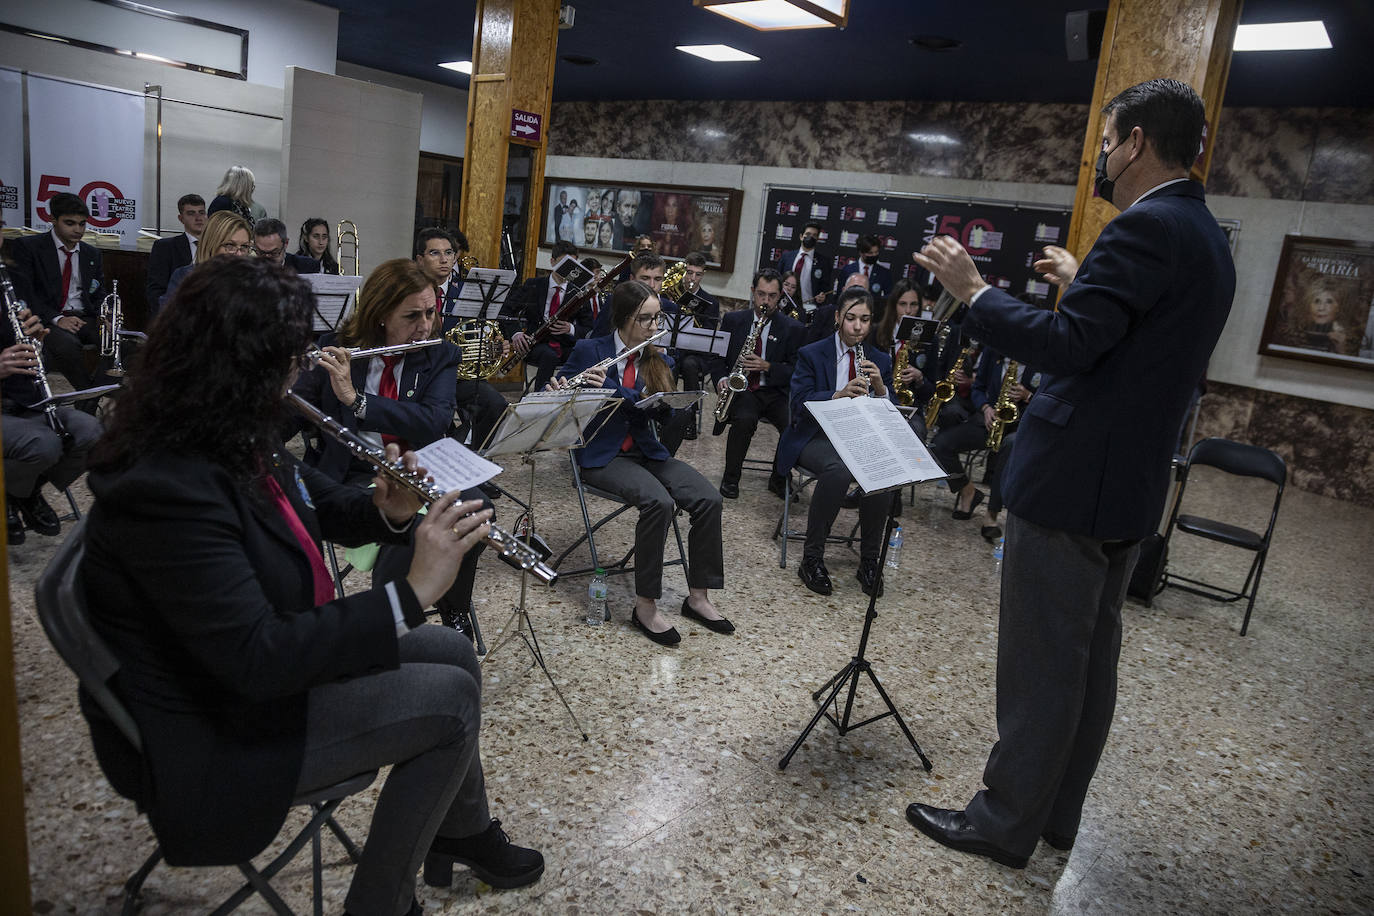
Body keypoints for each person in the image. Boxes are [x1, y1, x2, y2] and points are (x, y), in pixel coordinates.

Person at [906, 78, 1236, 869]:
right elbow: (1129, 345)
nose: (1099, 154)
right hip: (1128, 486)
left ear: (1135, 144)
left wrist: (974, 292)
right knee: (1088, 665)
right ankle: (1054, 815)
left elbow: (1067, 349)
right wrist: (1083, 284)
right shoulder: (1203, 235)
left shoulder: (1144, 229)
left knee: (1041, 668)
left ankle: (1002, 820)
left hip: (1073, 483)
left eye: (1106, 139)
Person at [293, 258, 491, 636]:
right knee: (409, 530)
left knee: (480, 512)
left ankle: (454, 607)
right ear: (381, 314)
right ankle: (390, 628)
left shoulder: (440, 354)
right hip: (357, 470)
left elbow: (432, 420)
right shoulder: (337, 348)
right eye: (412, 315)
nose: (425, 326)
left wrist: (359, 402)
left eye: (431, 312)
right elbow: (295, 408)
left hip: (422, 464)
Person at [551, 280, 731, 646]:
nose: (654, 327)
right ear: (622, 319)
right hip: (602, 455)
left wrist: (668, 402)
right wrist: (566, 385)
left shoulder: (657, 357)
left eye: (657, 318)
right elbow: (560, 388)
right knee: (658, 502)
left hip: (646, 452)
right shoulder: (592, 349)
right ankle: (645, 606)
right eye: (645, 320)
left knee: (708, 499)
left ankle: (698, 597)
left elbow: (664, 417)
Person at [775, 287, 893, 598]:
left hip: (859, 438)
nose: (858, 327)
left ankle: (869, 560)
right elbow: (797, 405)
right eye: (851, 318)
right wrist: (837, 395)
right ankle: (812, 557)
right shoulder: (812, 353)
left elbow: (889, 418)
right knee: (838, 470)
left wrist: (881, 390)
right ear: (838, 318)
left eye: (865, 320)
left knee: (883, 469)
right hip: (814, 435)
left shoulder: (879, 359)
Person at [2, 297, 101, 543]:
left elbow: (34, 368)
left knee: (91, 432)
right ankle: (19, 493)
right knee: (43, 444)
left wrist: (37, 345)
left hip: (27, 403)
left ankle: (21, 493)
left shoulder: (7, 296)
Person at [412, 229, 509, 451]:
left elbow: (479, 334)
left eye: (449, 253)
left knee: (495, 404)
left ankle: (475, 457)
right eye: (435, 253)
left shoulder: (470, 290)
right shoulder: (408, 290)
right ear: (420, 259)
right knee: (437, 413)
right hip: (418, 371)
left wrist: (493, 347)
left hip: (456, 376)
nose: (444, 259)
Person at [7, 192, 108, 397]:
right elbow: (24, 294)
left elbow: (99, 293)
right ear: (52, 220)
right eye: (70, 223)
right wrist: (57, 318)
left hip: (84, 316)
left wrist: (105, 316)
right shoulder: (28, 247)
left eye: (82, 224)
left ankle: (90, 395)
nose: (78, 230)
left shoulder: (91, 254)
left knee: (119, 341)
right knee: (67, 347)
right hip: (47, 318)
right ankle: (89, 395)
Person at [713, 269, 802, 500]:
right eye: (761, 294)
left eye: (772, 296)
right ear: (753, 292)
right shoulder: (734, 320)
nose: (766, 301)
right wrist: (723, 379)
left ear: (780, 295)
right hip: (744, 391)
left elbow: (796, 370)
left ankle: (779, 478)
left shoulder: (792, 328)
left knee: (792, 423)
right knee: (743, 420)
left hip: (775, 392)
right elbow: (717, 359)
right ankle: (731, 478)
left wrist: (768, 367)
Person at [503, 240, 584, 391]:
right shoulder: (534, 285)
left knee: (583, 354)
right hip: (536, 344)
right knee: (549, 355)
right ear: (552, 262)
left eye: (572, 265)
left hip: (565, 344)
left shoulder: (577, 292)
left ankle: (571, 399)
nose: (568, 270)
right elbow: (506, 310)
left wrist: (571, 328)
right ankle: (540, 397)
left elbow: (588, 326)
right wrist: (516, 333)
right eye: (564, 264)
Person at [160, 211, 253, 312]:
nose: (239, 254)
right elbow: (169, 320)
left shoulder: (254, 283)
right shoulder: (185, 277)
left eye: (244, 247)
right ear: (211, 245)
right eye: (230, 246)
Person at [671, 252, 719, 441]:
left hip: (697, 354)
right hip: (676, 349)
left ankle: (689, 420)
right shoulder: (673, 294)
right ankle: (666, 416)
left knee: (690, 365)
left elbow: (709, 336)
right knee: (668, 362)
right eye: (689, 273)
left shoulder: (710, 302)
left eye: (697, 274)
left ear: (703, 275)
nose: (692, 278)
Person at [146, 194, 206, 305]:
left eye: (201, 213)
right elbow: (155, 292)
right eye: (191, 213)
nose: (198, 218)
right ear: (181, 218)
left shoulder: (217, 246)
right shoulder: (165, 247)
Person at [1277, 280, 1355, 354]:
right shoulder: (1292, 334)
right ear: (1309, 305)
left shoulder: (1349, 339)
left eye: (1329, 302)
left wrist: (1341, 349)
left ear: (1338, 307)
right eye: (1317, 301)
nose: (1321, 308)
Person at [776, 221, 830, 307]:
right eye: (808, 234)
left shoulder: (823, 262)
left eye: (814, 235)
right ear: (801, 236)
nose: (811, 237)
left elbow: (826, 288)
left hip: (808, 306)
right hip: (784, 304)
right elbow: (777, 279)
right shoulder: (787, 257)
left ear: (817, 239)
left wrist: (823, 297)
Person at [834, 234, 893, 300]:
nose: (874, 255)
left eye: (876, 252)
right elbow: (840, 295)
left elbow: (888, 297)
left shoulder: (884, 273)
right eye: (870, 253)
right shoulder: (847, 270)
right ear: (861, 253)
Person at [254, 218, 321, 273]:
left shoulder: (307, 267)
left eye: (273, 253)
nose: (267, 260)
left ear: (286, 243)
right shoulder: (248, 271)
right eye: (261, 253)